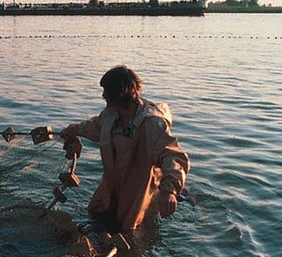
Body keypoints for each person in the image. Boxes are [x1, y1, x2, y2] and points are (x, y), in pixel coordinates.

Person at [60, 65, 189, 232]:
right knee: (95, 218)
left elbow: (173, 156)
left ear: (119, 92)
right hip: (111, 188)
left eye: (106, 91)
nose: (103, 95)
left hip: (137, 195)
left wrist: (169, 190)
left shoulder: (152, 124)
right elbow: (93, 127)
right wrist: (71, 130)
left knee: (129, 232)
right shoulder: (111, 115)